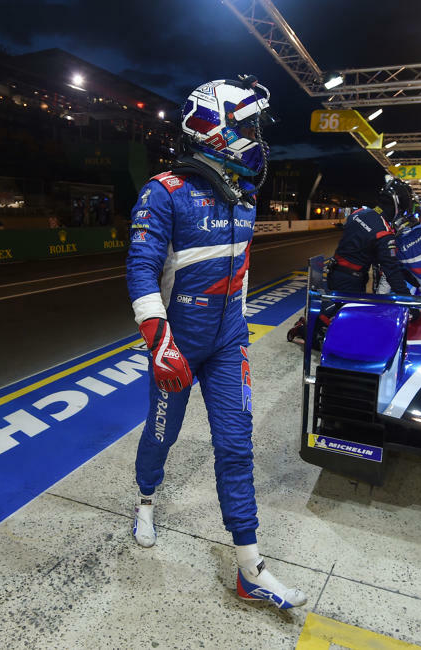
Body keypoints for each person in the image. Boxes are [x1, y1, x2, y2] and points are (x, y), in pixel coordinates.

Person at [126, 75, 306, 609]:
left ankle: (251, 568)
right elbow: (140, 271)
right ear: (213, 129)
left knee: (235, 446)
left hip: (228, 342)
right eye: (247, 125)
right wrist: (159, 342)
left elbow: (242, 275)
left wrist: (241, 332)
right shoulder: (163, 192)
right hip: (177, 346)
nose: (256, 136)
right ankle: (145, 499)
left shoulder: (244, 196)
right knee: (162, 437)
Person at [285, 177, 412, 344]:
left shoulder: (359, 213)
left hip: (335, 272)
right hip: (351, 280)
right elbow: (392, 272)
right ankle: (306, 328)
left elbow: (358, 241)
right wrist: (410, 301)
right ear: (397, 204)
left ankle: (313, 323)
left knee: (340, 311)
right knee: (349, 336)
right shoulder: (383, 232)